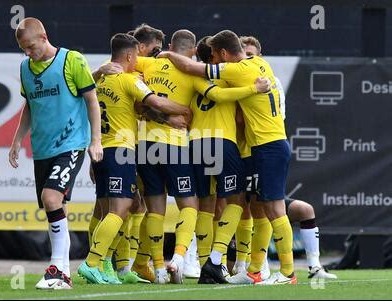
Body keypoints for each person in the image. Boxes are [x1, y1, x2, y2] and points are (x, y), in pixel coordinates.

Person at [159, 30, 296, 285]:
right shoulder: (260, 67)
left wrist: (165, 55)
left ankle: (222, 265)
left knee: (212, 206)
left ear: (222, 54)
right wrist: (252, 89)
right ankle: (231, 263)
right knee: (247, 204)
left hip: (213, 144)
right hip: (241, 144)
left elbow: (190, 72)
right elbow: (232, 108)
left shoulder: (209, 76)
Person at [135, 29, 268, 284]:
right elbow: (227, 103)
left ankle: (191, 264)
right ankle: (215, 262)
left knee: (202, 206)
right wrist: (253, 88)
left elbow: (126, 65)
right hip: (220, 143)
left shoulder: (172, 69)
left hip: (193, 144)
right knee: (235, 202)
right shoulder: (224, 78)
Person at [77, 33, 191, 285]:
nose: (138, 60)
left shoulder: (100, 81)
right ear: (130, 55)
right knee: (120, 209)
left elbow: (134, 109)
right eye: (137, 56)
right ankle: (93, 262)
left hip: (101, 150)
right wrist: (185, 110)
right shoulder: (129, 80)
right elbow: (156, 102)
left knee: (123, 207)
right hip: (121, 150)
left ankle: (112, 265)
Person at [9, 17, 103, 290]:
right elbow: (29, 106)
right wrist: (17, 140)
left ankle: (57, 269)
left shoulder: (72, 60)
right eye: (23, 49)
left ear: (43, 37)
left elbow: (91, 100)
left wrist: (95, 141)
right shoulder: (26, 67)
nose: (28, 53)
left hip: (71, 144)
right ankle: (61, 272)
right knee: (57, 206)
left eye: (30, 47)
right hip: (42, 148)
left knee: (50, 198)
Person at [239, 35, 337, 280]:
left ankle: (296, 269)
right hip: (244, 155)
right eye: (244, 55)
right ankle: (249, 267)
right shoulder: (240, 79)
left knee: (273, 209)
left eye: (251, 55)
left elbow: (263, 120)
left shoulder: (269, 83)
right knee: (240, 209)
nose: (247, 60)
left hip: (262, 152)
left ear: (259, 58)